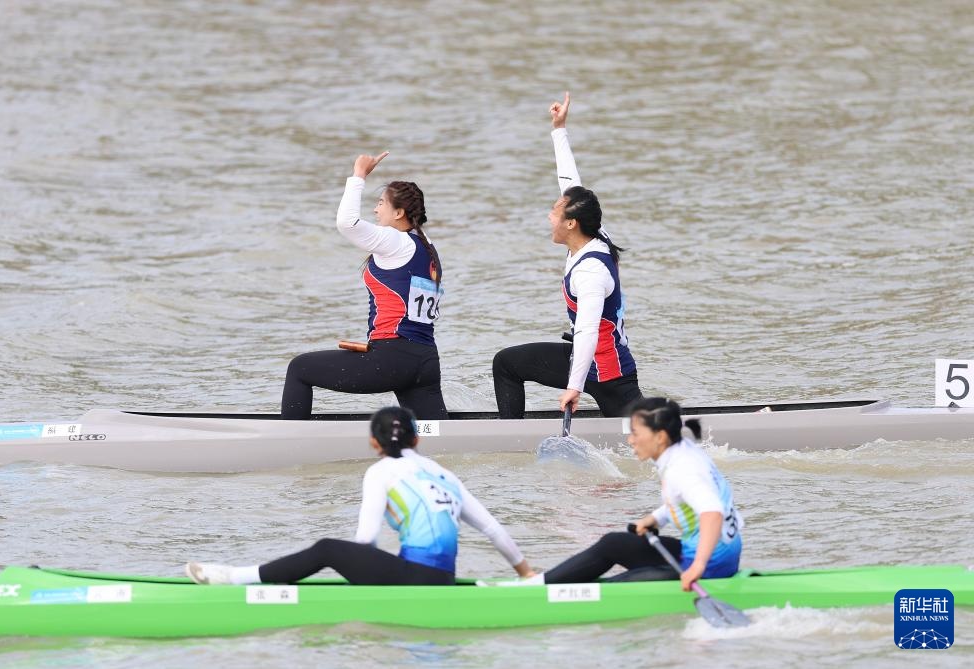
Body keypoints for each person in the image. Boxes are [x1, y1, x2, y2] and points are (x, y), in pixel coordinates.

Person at [186, 406, 534, 586]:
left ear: (373, 442)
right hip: (442, 578)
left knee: (327, 549)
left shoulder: (380, 472)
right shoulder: (444, 474)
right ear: (417, 439)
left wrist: (363, 569)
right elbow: (493, 529)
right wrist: (526, 576)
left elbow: (366, 541)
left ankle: (238, 579)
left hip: (416, 579)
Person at [493, 92, 641, 419]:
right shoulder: (595, 234)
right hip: (591, 360)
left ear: (571, 223)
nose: (549, 217)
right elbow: (570, 183)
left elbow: (587, 330)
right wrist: (559, 129)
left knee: (646, 434)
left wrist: (574, 387)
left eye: (554, 212)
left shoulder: (590, 272)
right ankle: (511, 433)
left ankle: (509, 437)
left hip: (607, 371)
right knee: (507, 363)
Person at [507, 397, 743, 590]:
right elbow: (686, 499)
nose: (630, 440)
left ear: (660, 437)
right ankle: (543, 583)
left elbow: (713, 512)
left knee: (612, 577)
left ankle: (537, 589)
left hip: (709, 563)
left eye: (635, 434)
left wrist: (698, 566)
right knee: (614, 544)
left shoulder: (681, 469)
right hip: (718, 553)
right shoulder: (684, 451)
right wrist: (655, 519)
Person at [281, 152, 449, 420]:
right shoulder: (427, 245)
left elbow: (346, 223)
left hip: (393, 360)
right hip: (425, 361)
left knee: (300, 369)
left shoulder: (395, 241)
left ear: (399, 213)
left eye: (381, 203)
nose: (375, 210)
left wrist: (358, 175)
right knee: (432, 433)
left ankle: (289, 438)